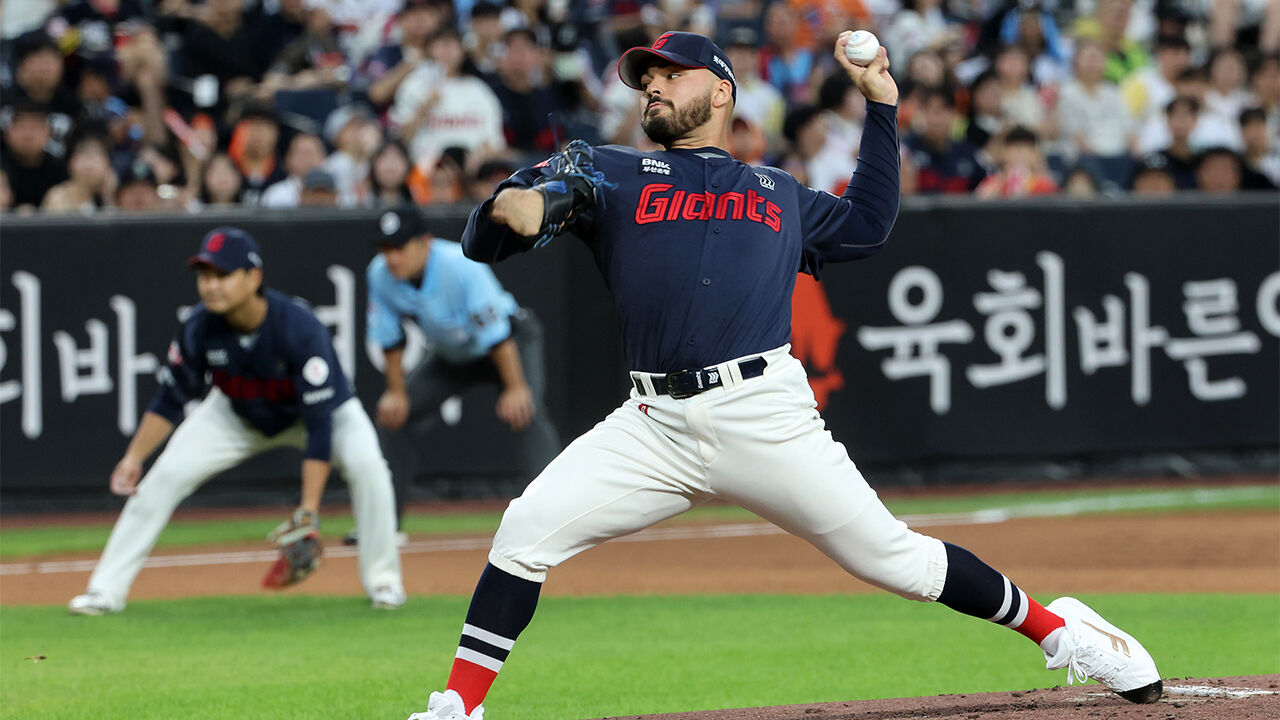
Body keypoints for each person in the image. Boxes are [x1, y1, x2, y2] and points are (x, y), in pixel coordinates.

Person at [401, 30, 1162, 720]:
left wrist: (883, 108)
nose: (653, 87)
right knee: (525, 530)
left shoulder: (778, 193)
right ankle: (457, 710)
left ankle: (1063, 632)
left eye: (672, 74)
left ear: (722, 90)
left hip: (763, 411)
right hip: (651, 424)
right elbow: (504, 223)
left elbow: (867, 225)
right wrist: (516, 205)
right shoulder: (609, 170)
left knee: (896, 561)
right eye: (646, 79)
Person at [68, 228, 405, 615]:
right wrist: (133, 457)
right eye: (204, 276)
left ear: (253, 277)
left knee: (369, 468)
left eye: (222, 275)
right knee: (161, 479)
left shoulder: (298, 326)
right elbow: (171, 398)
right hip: (236, 414)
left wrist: (308, 510)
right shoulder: (199, 327)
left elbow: (319, 427)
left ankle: (384, 582)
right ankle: (104, 591)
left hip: (323, 413)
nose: (211, 286)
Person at [360, 205, 559, 543]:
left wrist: (514, 387)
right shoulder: (380, 274)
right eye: (386, 248)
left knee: (528, 412)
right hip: (452, 356)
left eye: (400, 247)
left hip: (509, 343)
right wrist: (396, 393)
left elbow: (497, 336)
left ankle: (551, 520)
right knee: (393, 417)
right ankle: (385, 526)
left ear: (425, 242)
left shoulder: (460, 266)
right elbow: (390, 339)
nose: (392, 257)